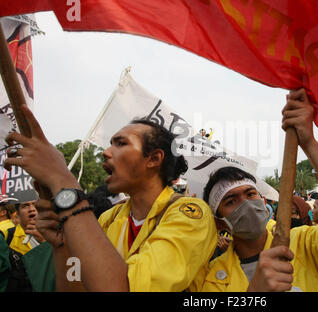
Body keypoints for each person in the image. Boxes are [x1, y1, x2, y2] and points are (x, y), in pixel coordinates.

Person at [4, 105, 217, 292]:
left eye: (121, 143)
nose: (106, 152)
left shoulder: (190, 214)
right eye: (110, 143)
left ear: (154, 158)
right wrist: (63, 245)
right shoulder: (109, 218)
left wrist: (63, 180)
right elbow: (74, 284)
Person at [190, 88, 318, 292]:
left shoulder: (302, 243)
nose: (246, 204)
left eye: (250, 194)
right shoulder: (212, 278)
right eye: (231, 200)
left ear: (263, 201)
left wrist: (310, 144)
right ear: (219, 222)